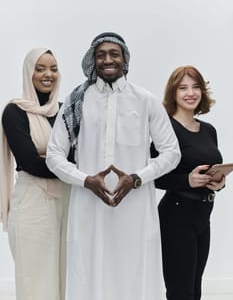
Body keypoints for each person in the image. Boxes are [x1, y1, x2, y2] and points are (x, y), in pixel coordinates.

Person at [46, 32, 181, 300]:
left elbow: (171, 152)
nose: (108, 60)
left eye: (114, 54)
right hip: (88, 207)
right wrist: (85, 179)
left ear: (125, 60)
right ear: (93, 60)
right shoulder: (77, 101)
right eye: (101, 55)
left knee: (135, 275)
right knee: (88, 276)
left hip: (135, 208)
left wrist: (137, 178)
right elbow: (54, 155)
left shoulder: (145, 100)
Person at [0, 48, 70, 300]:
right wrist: (65, 163)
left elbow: (79, 156)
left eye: (53, 68)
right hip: (32, 204)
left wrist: (57, 161)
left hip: (67, 202)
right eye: (40, 68)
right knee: (35, 279)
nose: (47, 74)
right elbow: (30, 162)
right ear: (28, 73)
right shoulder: (14, 112)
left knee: (66, 276)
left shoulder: (65, 112)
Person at [151, 66, 225, 300]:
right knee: (181, 291)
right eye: (183, 88)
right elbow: (155, 177)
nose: (190, 93)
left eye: (195, 87)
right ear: (173, 93)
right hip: (176, 215)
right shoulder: (166, 129)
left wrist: (218, 183)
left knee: (195, 289)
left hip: (203, 214)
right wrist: (187, 180)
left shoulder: (209, 130)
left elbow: (210, 169)